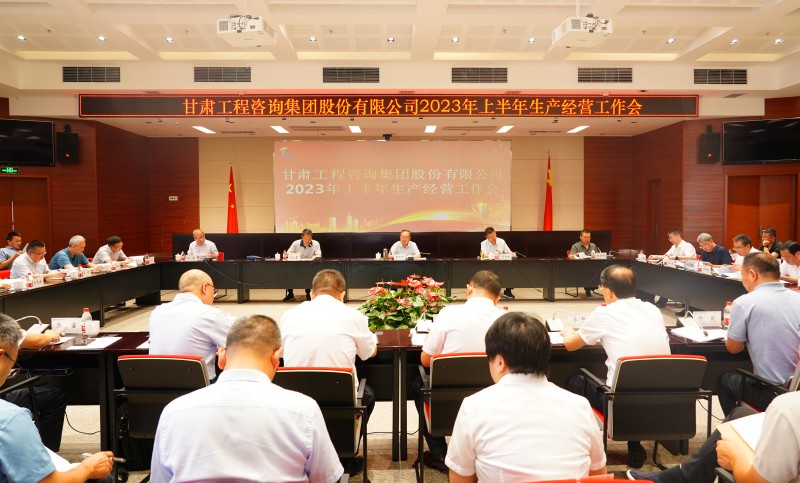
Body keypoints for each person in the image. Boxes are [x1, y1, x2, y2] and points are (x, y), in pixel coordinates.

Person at [151, 314, 343, 483]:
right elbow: (326, 478)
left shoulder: (173, 412)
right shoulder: (303, 410)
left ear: (222, 357)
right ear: (276, 357)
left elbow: (160, 479)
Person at [446, 312, 607, 482]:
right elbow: (598, 474)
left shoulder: (474, 407)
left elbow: (461, 477)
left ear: (499, 361)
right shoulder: (580, 406)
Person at [560, 264, 670, 468]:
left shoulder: (604, 314)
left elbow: (571, 345)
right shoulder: (653, 310)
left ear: (609, 291)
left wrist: (566, 331)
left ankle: (582, 444)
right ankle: (634, 446)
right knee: (630, 379)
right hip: (660, 404)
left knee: (575, 380)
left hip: (619, 405)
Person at [0, 314, 116, 482]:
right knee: (102, 479)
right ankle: (42, 462)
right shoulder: (11, 419)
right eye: (13, 363)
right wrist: (88, 468)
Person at [415, 270, 507, 471]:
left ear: (469, 289)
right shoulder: (506, 319)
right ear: (497, 299)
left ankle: (439, 452)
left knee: (418, 383)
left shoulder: (449, 314)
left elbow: (426, 360)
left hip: (447, 402)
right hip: (492, 397)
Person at [627, 391, 800, 483]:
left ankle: (681, 478)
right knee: (741, 414)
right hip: (776, 391)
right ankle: (684, 475)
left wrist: (735, 457)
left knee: (725, 382)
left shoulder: (787, 407)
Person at [279, 269, 377, 419]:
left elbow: (281, 353)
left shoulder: (288, 315)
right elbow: (369, 353)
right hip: (341, 404)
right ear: (342, 295)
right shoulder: (354, 316)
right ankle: (349, 433)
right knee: (368, 394)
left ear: (312, 294)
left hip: (296, 405)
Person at [716, 252, 800, 415]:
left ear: (752, 274)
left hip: (773, 392)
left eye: (742, 275)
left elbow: (734, 348)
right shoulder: (797, 298)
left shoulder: (744, 302)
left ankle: (738, 427)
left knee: (724, 381)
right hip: (796, 390)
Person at [148, 269, 233, 381]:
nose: (213, 296)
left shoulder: (157, 311)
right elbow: (238, 341)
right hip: (198, 387)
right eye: (214, 291)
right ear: (205, 287)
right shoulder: (209, 314)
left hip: (157, 384)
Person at [282, 228, 321, 302]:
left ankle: (308, 293)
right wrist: (296, 254)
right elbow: (287, 253)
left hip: (309, 265)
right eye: (306, 239)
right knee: (290, 273)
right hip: (296, 265)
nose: (307, 241)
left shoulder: (316, 243)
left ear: (312, 237)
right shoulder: (296, 243)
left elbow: (319, 254)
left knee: (310, 274)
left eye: (309, 239)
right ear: (302, 237)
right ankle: (290, 294)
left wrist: (314, 257)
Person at [480, 227, 515, 299]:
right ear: (486, 237)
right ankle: (489, 291)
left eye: (494, 236)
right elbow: (484, 255)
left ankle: (508, 291)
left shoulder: (501, 241)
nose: (493, 239)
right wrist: (493, 256)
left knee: (510, 269)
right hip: (489, 264)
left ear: (495, 233)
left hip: (502, 263)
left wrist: (512, 254)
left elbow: (508, 251)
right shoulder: (483, 243)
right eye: (490, 238)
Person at [569, 229, 600, 296]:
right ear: (580, 237)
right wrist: (576, 254)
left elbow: (597, 256)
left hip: (592, 266)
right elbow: (570, 257)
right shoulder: (575, 246)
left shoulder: (593, 245)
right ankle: (588, 289)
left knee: (598, 270)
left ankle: (591, 288)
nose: (587, 239)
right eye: (585, 237)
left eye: (588, 237)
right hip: (580, 267)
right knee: (588, 271)